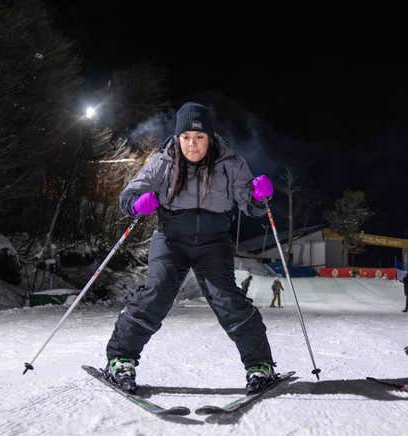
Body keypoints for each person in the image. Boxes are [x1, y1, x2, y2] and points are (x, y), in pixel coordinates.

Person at [103, 101, 279, 394]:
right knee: (155, 294)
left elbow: (250, 202)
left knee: (228, 300)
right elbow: (130, 193)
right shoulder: (164, 161)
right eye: (186, 137)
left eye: (199, 137)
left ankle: (259, 365)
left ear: (210, 137)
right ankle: (121, 359)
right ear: (177, 138)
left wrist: (260, 196)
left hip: (215, 241)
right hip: (171, 239)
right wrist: (136, 203)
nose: (192, 144)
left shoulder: (230, 163)